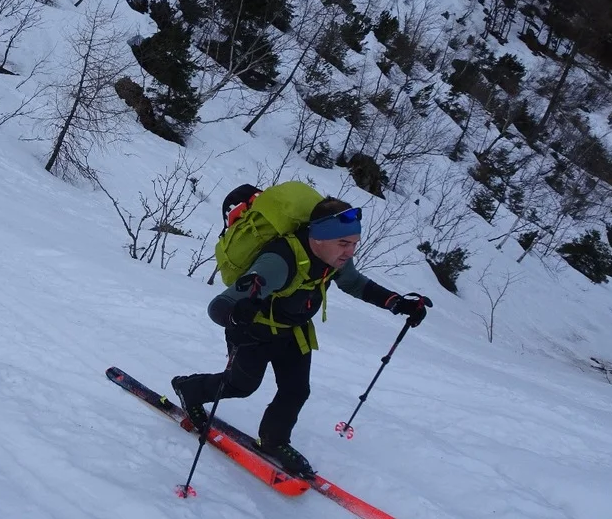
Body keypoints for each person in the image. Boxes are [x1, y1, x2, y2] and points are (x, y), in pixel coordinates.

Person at [171, 194, 432, 477]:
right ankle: (190, 390)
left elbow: (355, 283)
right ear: (318, 238)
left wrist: (396, 302)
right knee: (241, 386)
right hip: (254, 332)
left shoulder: (333, 259)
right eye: (343, 243)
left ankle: (274, 440)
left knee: (296, 390)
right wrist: (235, 316)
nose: (350, 252)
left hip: (293, 331)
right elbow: (219, 305)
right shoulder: (280, 261)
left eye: (354, 244)